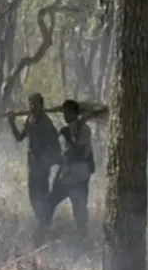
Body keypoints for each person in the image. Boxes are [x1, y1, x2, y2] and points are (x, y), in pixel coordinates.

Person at [8, 92, 62, 245]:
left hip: (42, 166)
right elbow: (20, 138)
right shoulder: (30, 120)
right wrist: (11, 122)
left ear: (41, 105)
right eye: (30, 103)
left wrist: (49, 161)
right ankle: (43, 224)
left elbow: (55, 146)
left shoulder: (46, 123)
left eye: (35, 104)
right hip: (32, 165)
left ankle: (43, 228)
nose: (32, 107)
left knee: (42, 196)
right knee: (33, 197)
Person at [46, 99, 96, 241]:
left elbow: (80, 153)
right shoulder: (71, 128)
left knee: (79, 211)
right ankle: (43, 231)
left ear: (74, 113)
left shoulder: (83, 129)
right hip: (66, 174)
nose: (65, 116)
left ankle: (82, 240)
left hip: (78, 176)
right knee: (49, 203)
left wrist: (68, 136)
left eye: (67, 113)